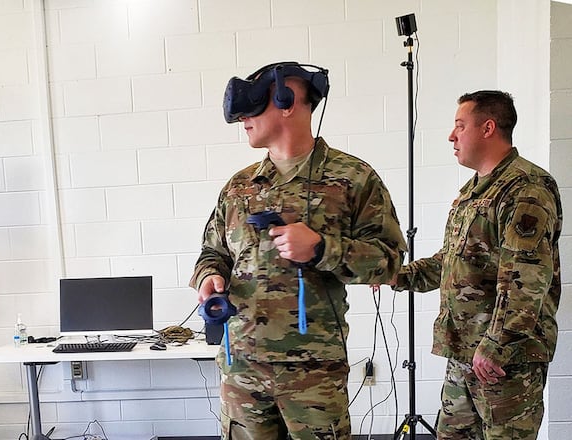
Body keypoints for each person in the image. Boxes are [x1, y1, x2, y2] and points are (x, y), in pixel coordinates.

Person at [189, 61, 407, 440]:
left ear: (287, 100)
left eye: (254, 107)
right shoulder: (239, 187)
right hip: (242, 367)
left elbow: (388, 261)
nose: (244, 119)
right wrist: (210, 276)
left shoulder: (353, 179)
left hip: (314, 372)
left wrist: (322, 248)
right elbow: (212, 252)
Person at [390, 90, 562, 439]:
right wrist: (398, 276)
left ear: (488, 128)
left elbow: (525, 278)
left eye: (460, 125)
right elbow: (450, 263)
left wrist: (496, 345)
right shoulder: (473, 192)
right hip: (465, 350)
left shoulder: (524, 188)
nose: (452, 136)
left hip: (504, 360)